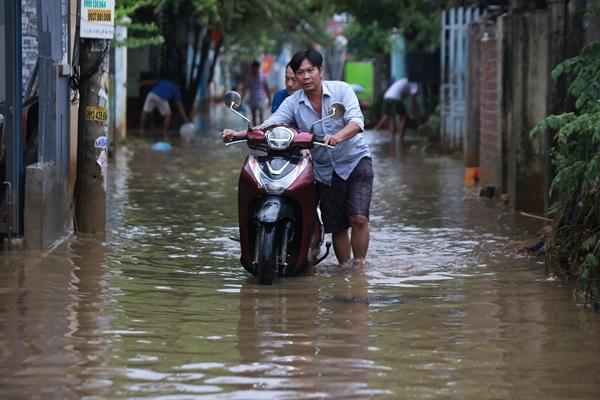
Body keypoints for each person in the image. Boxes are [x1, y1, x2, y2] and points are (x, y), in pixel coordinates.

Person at [223, 48, 373, 267]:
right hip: (324, 170)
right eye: (300, 72)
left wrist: (338, 137)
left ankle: (359, 269)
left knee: (358, 218)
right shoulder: (293, 102)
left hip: (355, 161)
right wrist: (239, 134)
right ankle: (344, 271)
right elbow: (270, 124)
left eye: (310, 70)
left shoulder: (342, 90)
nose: (305, 76)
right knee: (338, 226)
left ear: (320, 71)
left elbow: (357, 122)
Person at [373, 78, 420, 142]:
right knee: (403, 118)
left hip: (387, 97)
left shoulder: (404, 80)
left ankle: (377, 130)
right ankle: (400, 138)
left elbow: (404, 95)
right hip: (395, 98)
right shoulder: (413, 83)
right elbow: (413, 98)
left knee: (388, 116)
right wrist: (416, 109)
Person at [242, 60, 271, 126]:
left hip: (261, 98)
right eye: (252, 67)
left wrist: (269, 99)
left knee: (261, 115)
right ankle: (255, 130)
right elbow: (245, 87)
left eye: (254, 67)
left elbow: (267, 88)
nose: (253, 69)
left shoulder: (263, 76)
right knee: (253, 116)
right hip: (252, 98)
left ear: (257, 67)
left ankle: (261, 130)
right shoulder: (249, 77)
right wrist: (242, 98)